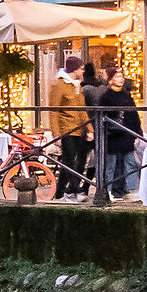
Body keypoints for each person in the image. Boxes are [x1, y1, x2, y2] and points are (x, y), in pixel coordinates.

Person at [47, 53, 91, 199]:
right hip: (66, 129)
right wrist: (56, 135)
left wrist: (89, 129)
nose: (83, 71)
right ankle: (76, 190)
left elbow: (83, 109)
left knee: (69, 160)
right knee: (69, 160)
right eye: (81, 68)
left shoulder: (77, 86)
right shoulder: (60, 85)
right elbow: (54, 111)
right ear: (75, 69)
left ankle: (59, 194)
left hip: (79, 129)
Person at [97, 69, 142, 200]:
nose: (121, 79)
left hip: (126, 134)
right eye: (117, 77)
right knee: (111, 164)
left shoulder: (127, 96)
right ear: (111, 80)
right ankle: (108, 190)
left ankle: (131, 189)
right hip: (113, 135)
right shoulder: (106, 97)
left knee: (130, 162)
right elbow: (102, 116)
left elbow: (134, 115)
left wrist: (137, 133)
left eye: (122, 77)